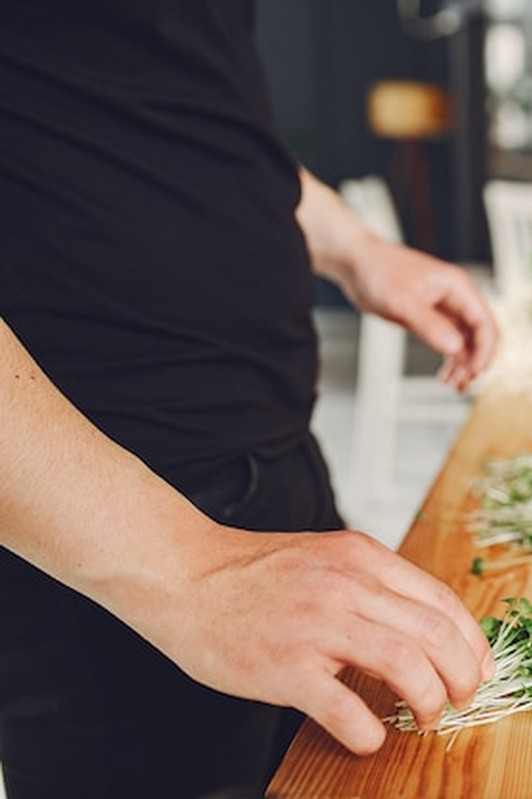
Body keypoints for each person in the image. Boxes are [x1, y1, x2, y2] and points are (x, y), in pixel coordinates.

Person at [0, 2, 499, 797]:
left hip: (281, 473)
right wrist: (187, 567)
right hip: (110, 549)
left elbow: (188, 111)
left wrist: (357, 249)